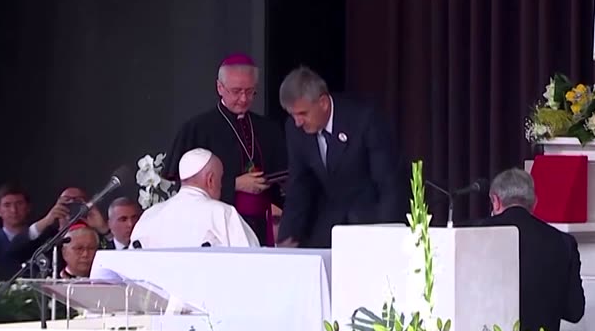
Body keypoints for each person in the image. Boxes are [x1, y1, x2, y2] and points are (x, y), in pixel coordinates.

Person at [165, 53, 288, 245]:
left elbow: (284, 179)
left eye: (250, 91)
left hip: (261, 228)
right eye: (236, 91)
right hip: (214, 229)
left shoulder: (268, 129)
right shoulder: (197, 128)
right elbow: (187, 187)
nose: (243, 98)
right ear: (220, 88)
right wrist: (235, 184)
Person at [276, 66, 404, 249]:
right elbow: (299, 186)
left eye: (303, 113)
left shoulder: (365, 119)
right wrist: (286, 238)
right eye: (292, 115)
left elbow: (388, 183)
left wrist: (386, 236)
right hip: (329, 225)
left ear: (323, 103)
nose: (297, 122)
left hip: (371, 221)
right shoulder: (295, 130)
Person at [480, 168, 585, 331]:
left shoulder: (473, 235)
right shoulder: (563, 242)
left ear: (495, 201)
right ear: (534, 203)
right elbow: (574, 311)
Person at [132, 148, 258, 249]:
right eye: (221, 179)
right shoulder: (223, 213)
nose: (221, 186)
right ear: (210, 180)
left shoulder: (150, 215)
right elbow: (251, 260)